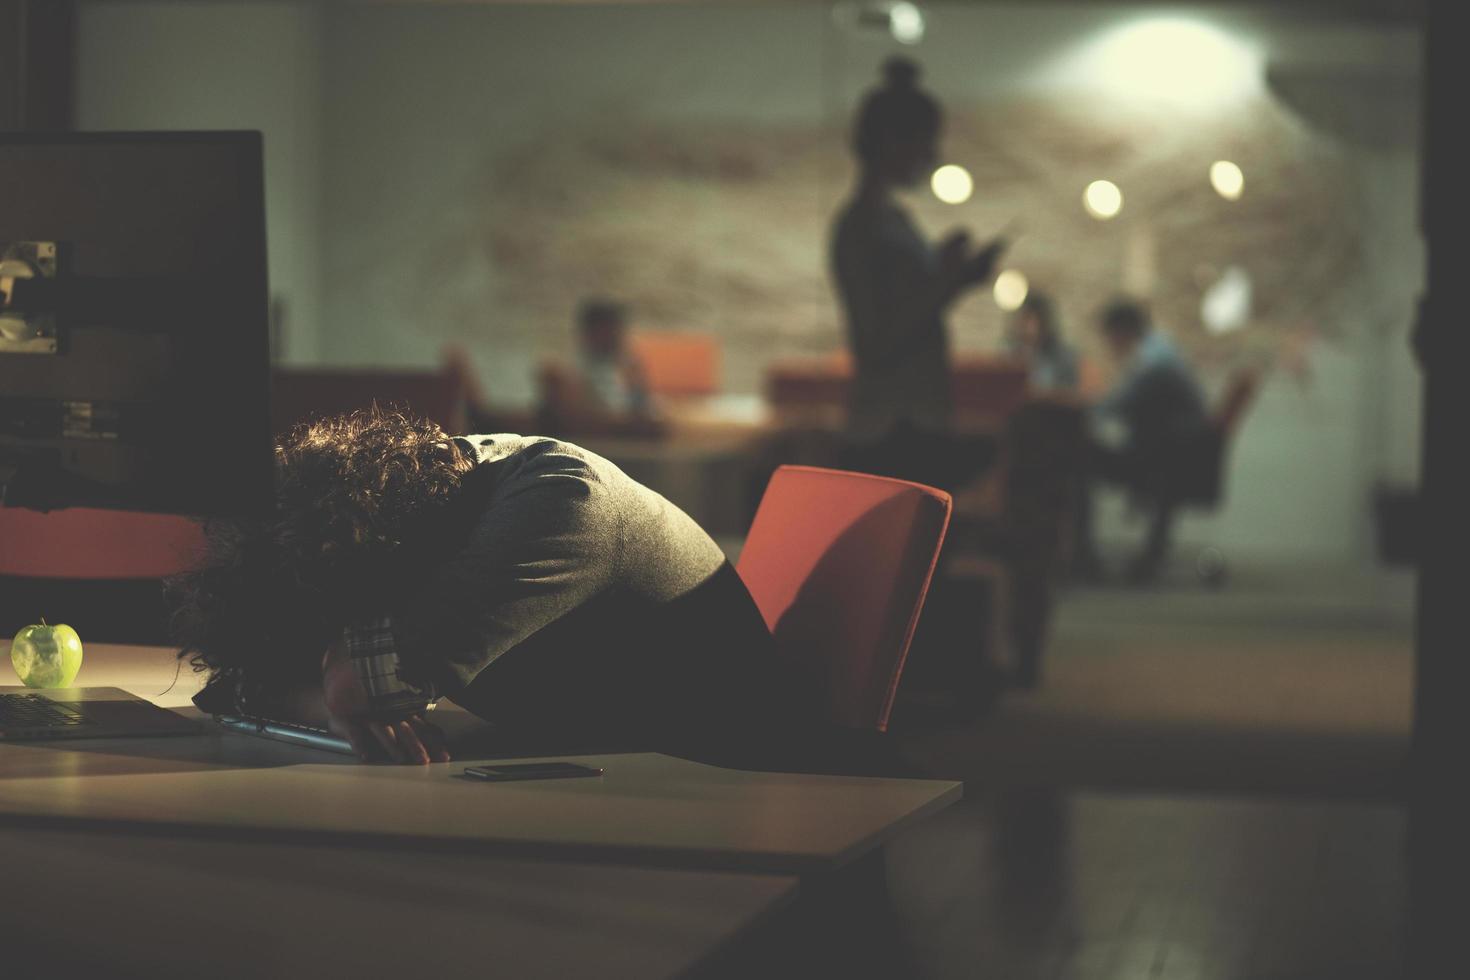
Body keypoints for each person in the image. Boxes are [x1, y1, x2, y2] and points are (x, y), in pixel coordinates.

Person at [171, 410, 793, 767]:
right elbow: (234, 685)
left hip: (722, 787)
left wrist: (338, 687)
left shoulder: (564, 502)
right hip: (599, 769)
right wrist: (333, 708)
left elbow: (356, 683)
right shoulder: (426, 490)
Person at [829, 57, 1008, 491]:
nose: (932, 156)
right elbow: (876, 341)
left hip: (910, 421)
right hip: (893, 428)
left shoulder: (890, 221)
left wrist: (948, 278)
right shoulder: (863, 225)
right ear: (891, 141)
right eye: (925, 142)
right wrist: (948, 282)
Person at [1075, 298, 1212, 582]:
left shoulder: (1154, 362)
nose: (1109, 345)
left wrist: (1079, 410)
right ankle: (1092, 554)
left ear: (1122, 331)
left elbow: (1117, 405)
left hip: (1165, 460)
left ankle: (1081, 557)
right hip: (1176, 456)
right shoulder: (1160, 350)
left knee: (1078, 458)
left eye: (1109, 336)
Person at [537, 298, 658, 434]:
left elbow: (641, 407)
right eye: (610, 330)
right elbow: (580, 420)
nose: (617, 337)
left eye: (618, 330)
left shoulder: (626, 367)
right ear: (592, 331)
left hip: (627, 439)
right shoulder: (565, 372)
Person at [1006, 290, 1079, 392]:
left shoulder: (1060, 356)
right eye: (1022, 320)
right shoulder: (1011, 352)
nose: (1025, 326)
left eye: (1029, 320)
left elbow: (1066, 391)